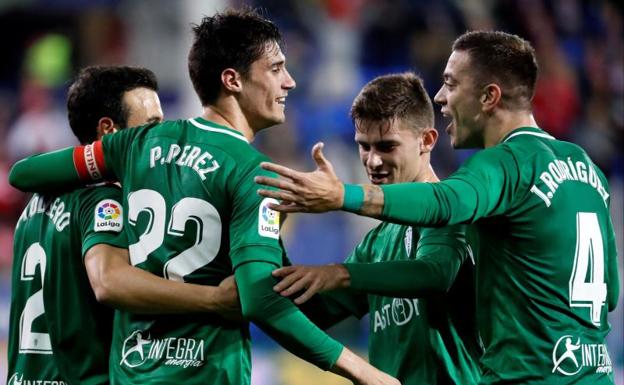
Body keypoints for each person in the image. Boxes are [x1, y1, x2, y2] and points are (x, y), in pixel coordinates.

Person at [9, 9, 399, 385]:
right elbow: (262, 302)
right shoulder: (254, 174)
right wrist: (356, 366)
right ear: (233, 80)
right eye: (277, 68)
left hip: (133, 370)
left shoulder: (137, 145)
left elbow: (26, 173)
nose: (290, 82)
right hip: (205, 371)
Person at [254, 31, 620, 384]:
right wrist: (269, 227)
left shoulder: (501, 169)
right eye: (363, 146)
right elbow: (612, 293)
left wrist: (342, 199)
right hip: (591, 371)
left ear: (490, 96)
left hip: (528, 377)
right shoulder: (585, 167)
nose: (442, 97)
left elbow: (442, 229)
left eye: (451, 83)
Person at [7, 65, 240, 385]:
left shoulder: (34, 206)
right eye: (151, 125)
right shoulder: (106, 201)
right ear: (109, 130)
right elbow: (109, 282)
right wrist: (213, 298)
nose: (160, 134)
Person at [275, 72, 483, 384]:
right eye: (364, 146)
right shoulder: (376, 242)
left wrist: (341, 274)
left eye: (386, 146)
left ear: (426, 140)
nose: (372, 161)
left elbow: (435, 274)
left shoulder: (452, 210)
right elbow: (313, 312)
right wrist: (269, 236)